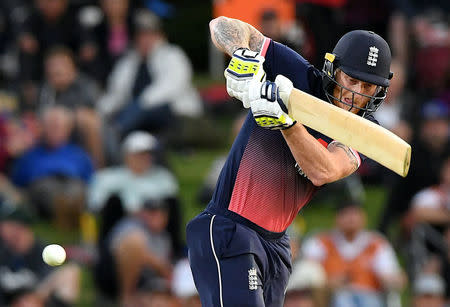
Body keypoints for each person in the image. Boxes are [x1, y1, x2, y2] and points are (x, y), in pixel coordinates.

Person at [186, 16, 395, 307]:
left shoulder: (362, 131)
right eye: (352, 79)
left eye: (368, 87)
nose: (355, 93)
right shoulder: (297, 73)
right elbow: (222, 25)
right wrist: (241, 54)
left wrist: (286, 122)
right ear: (333, 70)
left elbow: (324, 170)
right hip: (229, 226)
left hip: (277, 245)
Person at [97, 9, 203, 138]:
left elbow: (169, 89)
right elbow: (116, 94)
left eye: (151, 34)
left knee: (140, 112)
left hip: (176, 114)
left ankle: (116, 134)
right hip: (135, 114)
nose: (145, 40)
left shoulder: (172, 55)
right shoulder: (129, 61)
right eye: (141, 35)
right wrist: (99, 111)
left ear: (160, 36)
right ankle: (110, 136)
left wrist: (139, 105)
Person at [302, 201, 405, 307]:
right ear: (337, 218)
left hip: (369, 296)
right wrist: (327, 283)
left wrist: (393, 280)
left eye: (355, 214)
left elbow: (388, 274)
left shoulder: (376, 243)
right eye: (346, 214)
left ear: (364, 217)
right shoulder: (321, 242)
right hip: (332, 297)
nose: (351, 219)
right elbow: (306, 274)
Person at [94, 198, 173, 307]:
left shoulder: (164, 238)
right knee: (135, 243)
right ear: (142, 213)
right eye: (151, 212)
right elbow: (127, 249)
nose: (155, 217)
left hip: (145, 282)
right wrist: (158, 264)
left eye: (159, 213)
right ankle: (126, 298)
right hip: (113, 275)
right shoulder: (131, 225)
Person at [0, 202, 80, 307]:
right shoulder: (4, 250)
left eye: (5, 224)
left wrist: (34, 298)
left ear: (18, 227)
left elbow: (51, 283)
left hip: (37, 301)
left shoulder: (43, 252)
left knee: (70, 272)